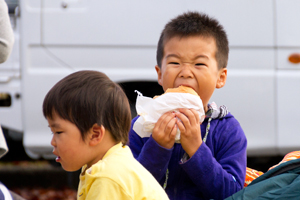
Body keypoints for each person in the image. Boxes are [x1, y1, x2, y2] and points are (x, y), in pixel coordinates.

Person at [128, 12, 247, 200]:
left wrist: (196, 148)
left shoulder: (227, 130)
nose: (185, 72)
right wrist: (158, 146)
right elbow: (129, 189)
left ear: (220, 77)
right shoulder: (142, 125)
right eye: (175, 62)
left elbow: (232, 193)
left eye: (199, 64)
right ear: (159, 74)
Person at [42, 70, 169, 200]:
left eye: (58, 132)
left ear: (95, 135)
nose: (53, 141)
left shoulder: (108, 176)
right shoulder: (106, 165)